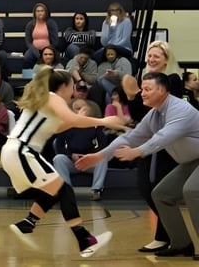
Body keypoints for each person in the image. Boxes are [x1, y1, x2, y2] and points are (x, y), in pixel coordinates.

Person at [2, 66, 124, 258]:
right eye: (73, 86)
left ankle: (28, 223)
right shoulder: (53, 97)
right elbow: (70, 118)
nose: (74, 91)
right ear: (65, 86)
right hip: (22, 151)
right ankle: (85, 240)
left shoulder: (45, 99)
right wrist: (103, 121)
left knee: (54, 191)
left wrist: (79, 120)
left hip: (13, 152)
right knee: (63, 189)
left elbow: (56, 128)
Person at [77, 72, 199, 258]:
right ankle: (182, 244)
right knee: (161, 194)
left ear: (162, 90)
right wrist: (99, 156)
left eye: (148, 89)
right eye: (142, 89)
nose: (142, 93)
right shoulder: (154, 114)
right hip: (192, 160)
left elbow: (163, 137)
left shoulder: (180, 109)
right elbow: (129, 137)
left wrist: (136, 152)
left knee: (192, 191)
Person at [119, 40, 183, 252]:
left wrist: (135, 94)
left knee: (156, 189)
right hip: (149, 141)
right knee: (146, 187)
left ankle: (170, 237)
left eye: (157, 56)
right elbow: (139, 114)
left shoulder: (173, 79)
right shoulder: (146, 82)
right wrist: (131, 96)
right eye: (150, 55)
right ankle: (166, 235)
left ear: (166, 60)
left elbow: (158, 110)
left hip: (168, 143)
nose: (152, 59)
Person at [52, 99, 109, 201]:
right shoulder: (66, 125)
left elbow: (103, 145)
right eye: (77, 109)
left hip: (89, 161)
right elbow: (59, 145)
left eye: (83, 108)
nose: (80, 111)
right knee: (58, 158)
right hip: (73, 161)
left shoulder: (95, 125)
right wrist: (71, 155)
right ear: (72, 111)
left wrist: (90, 156)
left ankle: (97, 190)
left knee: (103, 158)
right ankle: (66, 191)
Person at [23, 2, 59, 69]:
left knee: (49, 57)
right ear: (34, 13)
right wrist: (35, 51)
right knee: (27, 57)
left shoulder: (51, 23)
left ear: (46, 12)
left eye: (42, 11)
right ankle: (28, 77)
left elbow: (55, 41)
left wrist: (46, 51)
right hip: (34, 49)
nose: (40, 13)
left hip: (49, 49)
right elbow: (28, 41)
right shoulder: (30, 24)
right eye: (38, 11)